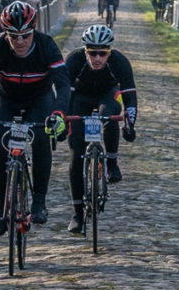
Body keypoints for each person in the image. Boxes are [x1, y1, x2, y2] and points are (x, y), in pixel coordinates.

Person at [0, 0, 66, 235]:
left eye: (25, 35)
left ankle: (39, 202)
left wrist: (58, 114)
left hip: (39, 98)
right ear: (6, 34)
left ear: (33, 31)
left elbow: (63, 85)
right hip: (6, 97)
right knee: (1, 148)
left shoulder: (46, 45)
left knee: (42, 139)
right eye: (14, 36)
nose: (20, 41)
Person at [55, 24, 137, 234]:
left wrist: (130, 124)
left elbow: (129, 96)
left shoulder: (119, 62)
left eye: (103, 53)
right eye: (93, 53)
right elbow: (64, 95)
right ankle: (77, 214)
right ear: (85, 51)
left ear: (110, 52)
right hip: (79, 98)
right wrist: (61, 122)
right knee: (75, 155)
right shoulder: (73, 61)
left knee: (109, 115)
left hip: (106, 95)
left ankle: (112, 162)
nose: (98, 58)